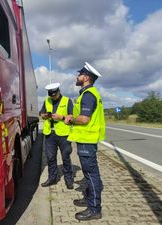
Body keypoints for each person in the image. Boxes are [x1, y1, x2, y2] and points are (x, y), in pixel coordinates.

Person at [65, 62, 105, 221]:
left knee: (91, 174)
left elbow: (84, 118)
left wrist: (71, 119)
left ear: (86, 77)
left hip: (87, 140)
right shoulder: (88, 93)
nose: (77, 76)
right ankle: (89, 199)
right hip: (86, 140)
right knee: (90, 174)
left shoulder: (88, 95)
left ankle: (95, 209)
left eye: (80, 74)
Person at [40, 82, 74, 189]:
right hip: (50, 134)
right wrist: (44, 116)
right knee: (50, 158)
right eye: (51, 95)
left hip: (63, 134)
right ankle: (52, 178)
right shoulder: (47, 100)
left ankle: (69, 180)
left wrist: (62, 117)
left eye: (54, 95)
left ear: (59, 91)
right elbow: (41, 113)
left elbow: (72, 117)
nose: (53, 97)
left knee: (66, 157)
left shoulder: (67, 101)